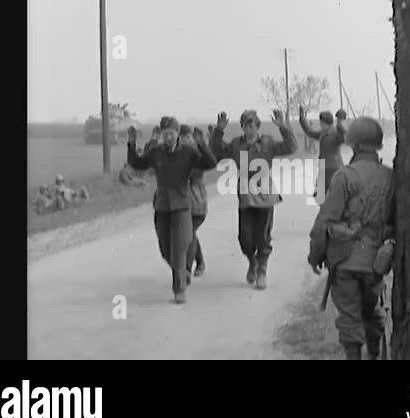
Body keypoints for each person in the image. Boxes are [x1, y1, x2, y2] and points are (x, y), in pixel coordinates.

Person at [308, 117, 394, 360]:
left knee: (349, 319)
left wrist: (315, 255)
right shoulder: (391, 177)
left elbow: (324, 222)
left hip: (345, 262)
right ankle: (375, 354)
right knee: (372, 312)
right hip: (376, 263)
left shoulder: (344, 177)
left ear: (352, 143)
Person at [127, 117, 217, 303]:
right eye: (165, 133)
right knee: (165, 249)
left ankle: (179, 289)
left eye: (172, 133)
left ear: (177, 134)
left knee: (178, 248)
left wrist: (202, 144)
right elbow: (137, 163)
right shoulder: (156, 152)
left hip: (183, 206)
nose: (168, 137)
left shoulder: (188, 152)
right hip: (162, 205)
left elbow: (210, 164)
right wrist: (131, 143)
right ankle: (183, 272)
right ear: (161, 134)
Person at [210, 109, 297, 289]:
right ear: (242, 127)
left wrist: (283, 127)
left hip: (264, 192)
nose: (249, 129)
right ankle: (252, 261)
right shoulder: (236, 144)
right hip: (245, 194)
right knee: (245, 238)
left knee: (263, 235)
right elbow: (217, 150)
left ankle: (262, 269)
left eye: (253, 126)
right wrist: (218, 131)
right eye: (246, 126)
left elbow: (290, 147)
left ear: (258, 127)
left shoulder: (267, 143)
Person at [179, 125, 208, 278]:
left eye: (188, 137)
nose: (185, 140)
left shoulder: (198, 156)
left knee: (188, 235)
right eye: (182, 138)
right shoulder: (176, 155)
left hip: (197, 204)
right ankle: (201, 261)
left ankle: (187, 270)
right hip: (180, 205)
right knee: (189, 235)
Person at [299, 106, 346, 195]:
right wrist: (302, 120)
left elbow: (345, 137)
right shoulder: (323, 133)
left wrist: (340, 122)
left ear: (324, 122)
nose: (320, 124)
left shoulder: (336, 133)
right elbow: (310, 132)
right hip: (323, 169)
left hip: (334, 169)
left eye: (321, 122)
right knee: (322, 197)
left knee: (334, 197)